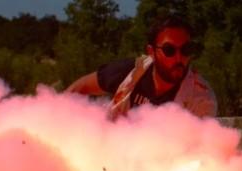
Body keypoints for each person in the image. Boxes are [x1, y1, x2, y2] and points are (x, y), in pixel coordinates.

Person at [66, 15, 217, 120]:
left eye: (185, 50)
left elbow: (196, 154)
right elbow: (80, 88)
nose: (179, 58)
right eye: (169, 50)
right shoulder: (130, 72)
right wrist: (54, 116)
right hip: (107, 152)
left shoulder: (202, 99)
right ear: (151, 52)